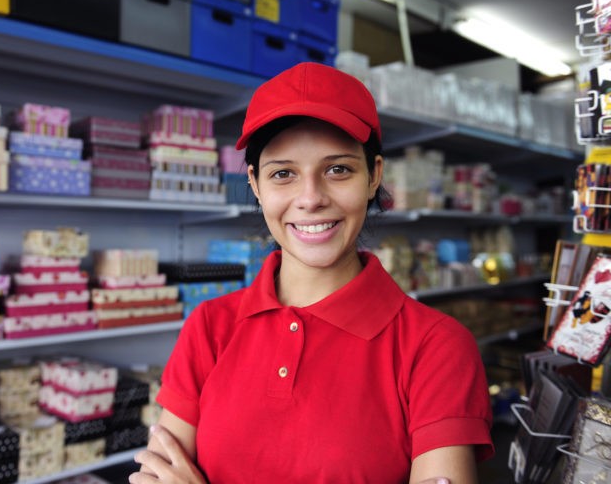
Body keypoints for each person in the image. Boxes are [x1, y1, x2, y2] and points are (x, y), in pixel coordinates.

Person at [129, 62, 494, 483]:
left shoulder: (436, 348)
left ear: (374, 175)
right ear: (255, 184)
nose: (310, 198)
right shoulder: (209, 328)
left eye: (337, 169)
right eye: (283, 174)